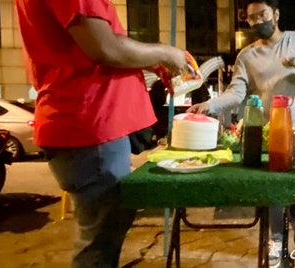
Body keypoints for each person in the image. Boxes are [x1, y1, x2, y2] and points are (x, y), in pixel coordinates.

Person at [15, 1, 188, 267]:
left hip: (89, 126)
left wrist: (148, 60)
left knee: (102, 236)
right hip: (90, 126)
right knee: (98, 246)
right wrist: (164, 53)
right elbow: (104, 47)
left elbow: (91, 48)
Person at [187, 0, 295, 266]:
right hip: (269, 132)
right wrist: (209, 105)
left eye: (263, 15)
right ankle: (276, 242)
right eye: (251, 18)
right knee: (272, 191)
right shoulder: (246, 56)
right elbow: (236, 93)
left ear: (276, 13)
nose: (258, 21)